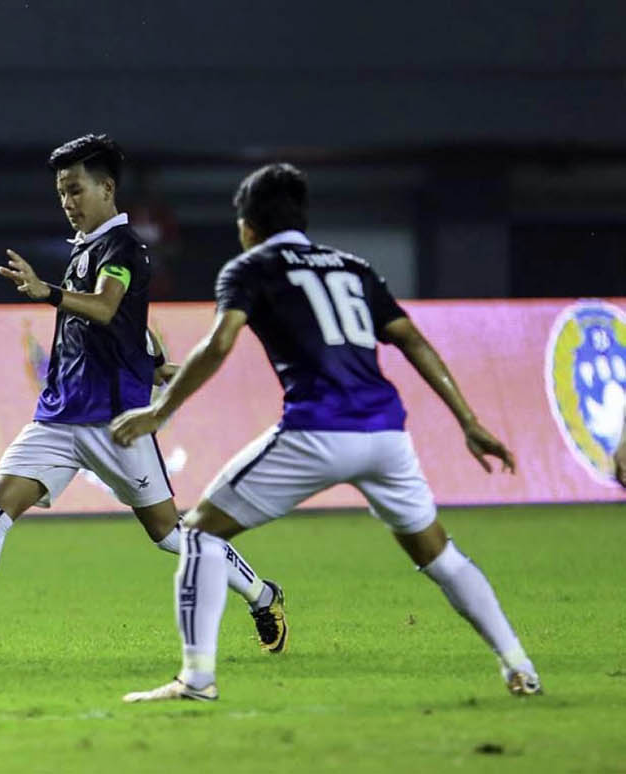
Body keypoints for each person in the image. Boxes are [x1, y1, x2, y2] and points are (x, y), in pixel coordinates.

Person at [112, 163, 539, 702]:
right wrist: (468, 421)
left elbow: (218, 346)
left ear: (247, 224)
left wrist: (158, 410)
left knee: (198, 533)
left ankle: (196, 678)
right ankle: (519, 665)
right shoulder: (354, 267)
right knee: (439, 555)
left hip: (315, 432)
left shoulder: (250, 268)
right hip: (386, 435)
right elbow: (413, 341)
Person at [0, 135, 286, 664]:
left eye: (75, 190)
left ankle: (262, 594)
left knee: (170, 534)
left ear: (106, 188)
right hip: (57, 418)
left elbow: (105, 308)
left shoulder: (122, 248)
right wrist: (151, 359)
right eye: (60, 193)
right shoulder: (85, 247)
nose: (68, 201)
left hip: (115, 424)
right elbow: (128, 326)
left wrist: (46, 292)